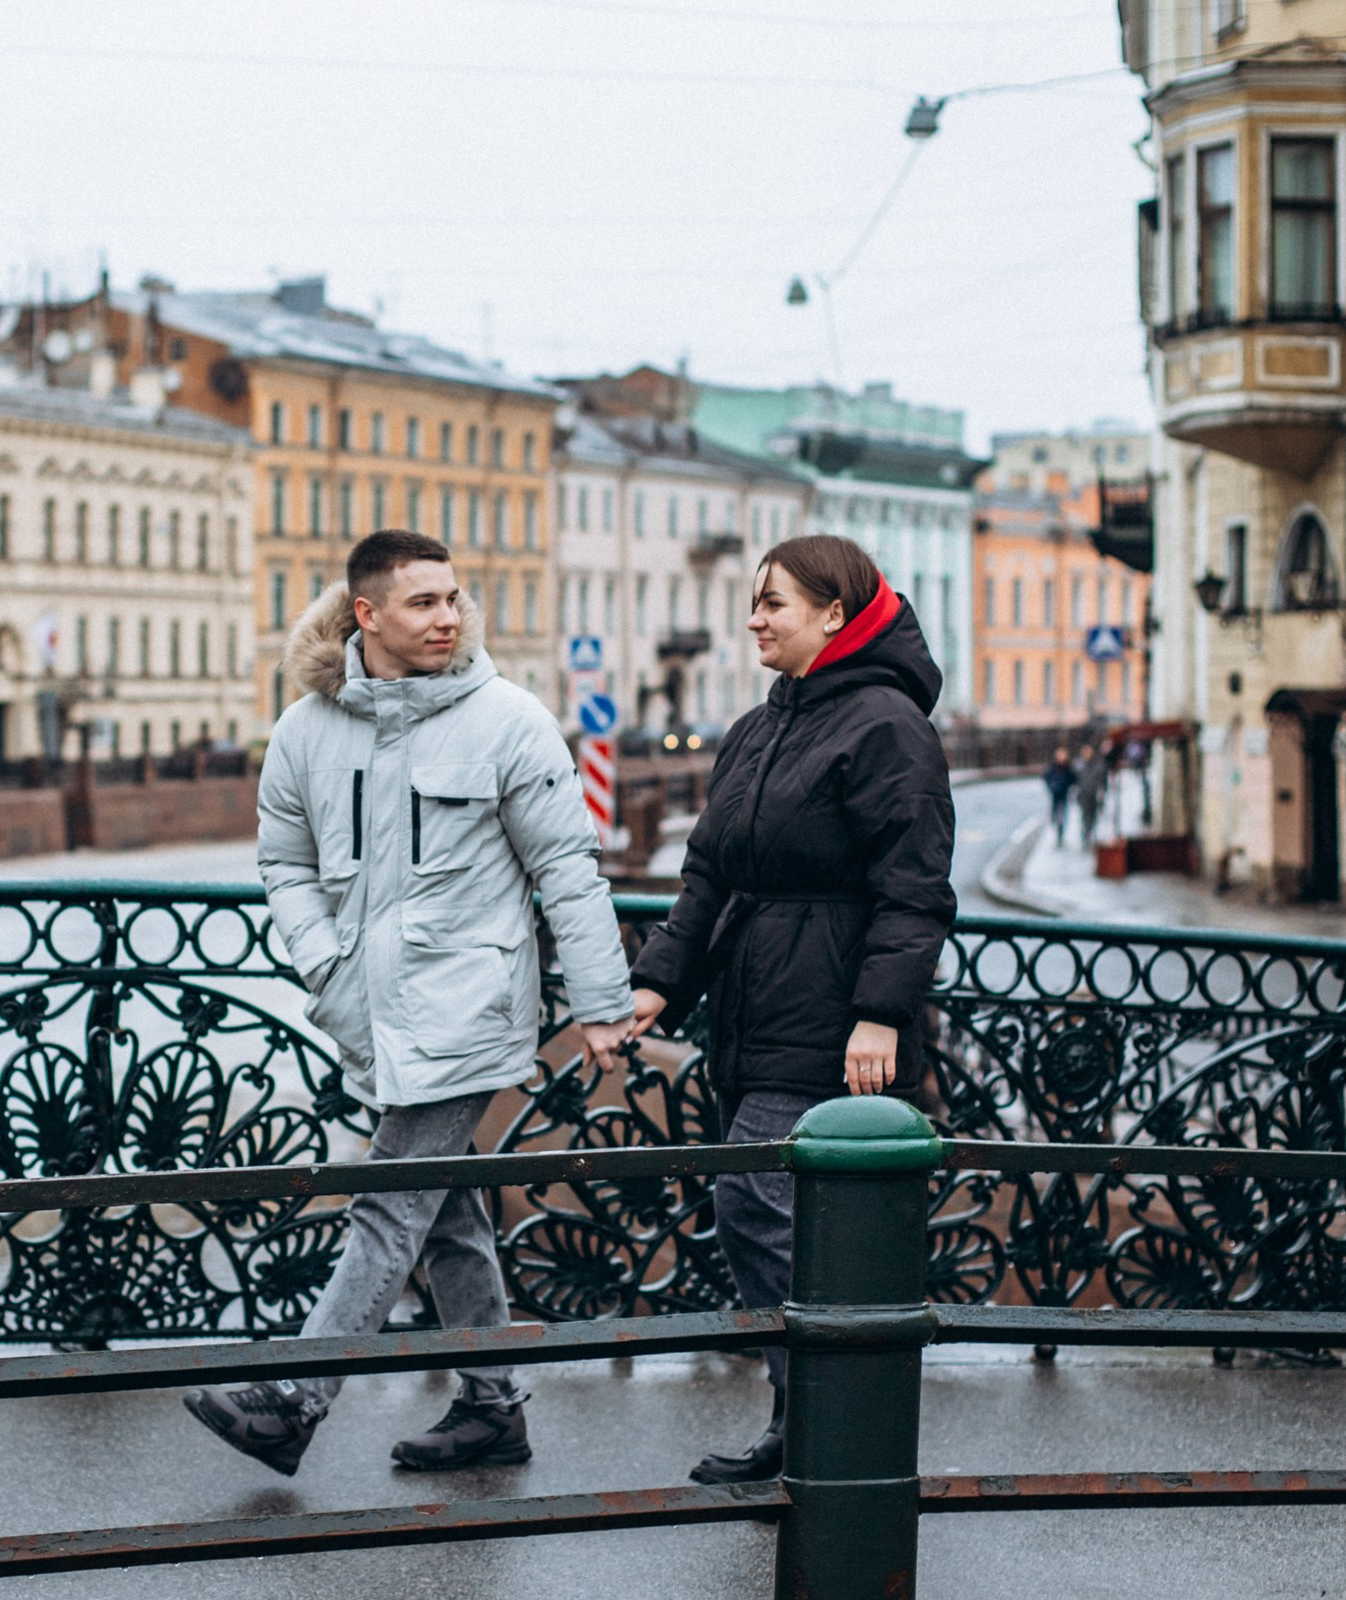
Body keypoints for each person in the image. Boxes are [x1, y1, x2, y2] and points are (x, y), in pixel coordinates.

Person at [183, 530, 632, 1477]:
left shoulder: (508, 720)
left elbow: (568, 868)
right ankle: (491, 1407)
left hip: (470, 1004)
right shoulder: (307, 729)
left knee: (389, 1196)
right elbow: (284, 862)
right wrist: (324, 962)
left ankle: (295, 1402)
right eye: (424, 602)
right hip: (371, 1009)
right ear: (366, 615)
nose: (448, 617)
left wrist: (601, 1002)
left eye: (455, 599)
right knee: (444, 1205)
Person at [625, 534, 955, 1486]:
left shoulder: (888, 726)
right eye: (755, 601)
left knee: (755, 1206)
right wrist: (659, 980)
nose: (754, 618)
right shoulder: (763, 724)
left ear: (836, 617)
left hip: (834, 1022)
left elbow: (914, 891)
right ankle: (806, 1415)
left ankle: (832, 1407)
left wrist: (880, 1015)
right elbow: (708, 877)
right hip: (752, 1015)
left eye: (774, 603)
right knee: (778, 1218)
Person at [1073, 741, 1107, 847]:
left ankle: (1088, 832)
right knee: (1085, 815)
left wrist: (1101, 793)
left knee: (1092, 816)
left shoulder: (1098, 766)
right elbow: (1074, 780)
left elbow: (1103, 781)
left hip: (1094, 794)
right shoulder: (1078, 765)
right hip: (1083, 795)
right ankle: (1086, 833)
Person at [1043, 746, 1076, 846]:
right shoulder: (1052, 767)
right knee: (1055, 813)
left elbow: (1073, 779)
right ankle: (1057, 826)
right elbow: (1046, 777)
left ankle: (1060, 832)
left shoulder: (1068, 768)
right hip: (1055, 795)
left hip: (1063, 795)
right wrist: (1051, 786)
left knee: (1062, 815)